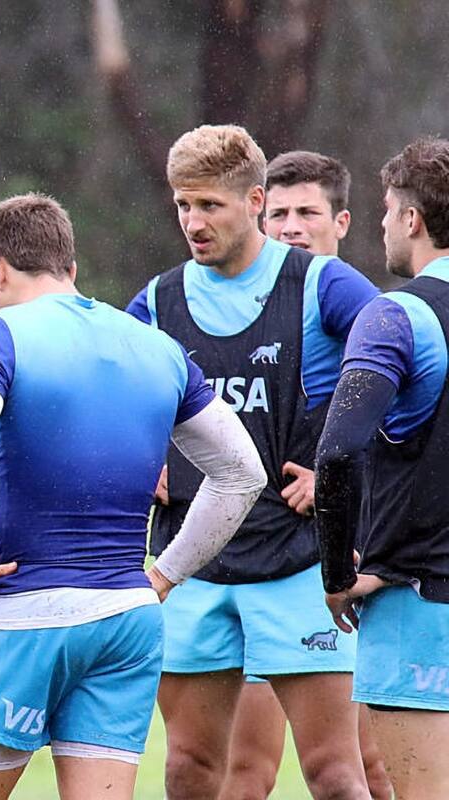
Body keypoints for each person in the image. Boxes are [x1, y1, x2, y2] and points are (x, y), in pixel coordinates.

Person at [0, 193, 266, 800]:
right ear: (69, 270)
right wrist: (165, 575)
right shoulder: (157, 347)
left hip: (24, 616)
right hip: (126, 621)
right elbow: (243, 474)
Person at [126, 125, 378, 800]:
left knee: (333, 773)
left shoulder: (321, 285)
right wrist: (137, 452)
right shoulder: (157, 302)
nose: (193, 221)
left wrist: (341, 473)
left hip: (297, 566)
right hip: (191, 568)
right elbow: (110, 396)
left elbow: (408, 367)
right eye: (183, 205)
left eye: (209, 205)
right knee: (189, 770)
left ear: (255, 201)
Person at [219, 151, 391, 800]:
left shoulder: (358, 310)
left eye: (307, 213)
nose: (291, 226)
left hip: (358, 560)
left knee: (364, 768)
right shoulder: (240, 306)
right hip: (265, 566)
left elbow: (409, 412)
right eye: (279, 212)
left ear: (341, 221)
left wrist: (334, 477)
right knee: (245, 774)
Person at [317, 136, 449, 799]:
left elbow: (338, 451)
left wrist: (338, 572)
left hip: (422, 610)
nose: (382, 224)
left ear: (412, 219)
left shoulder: (396, 316)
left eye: (387, 209)